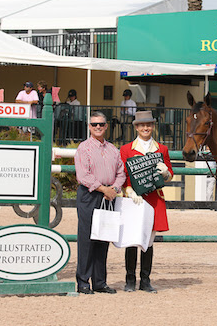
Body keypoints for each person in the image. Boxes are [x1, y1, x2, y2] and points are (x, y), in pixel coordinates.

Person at [120, 111, 174, 293]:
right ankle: (129, 279)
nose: (145, 128)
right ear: (136, 127)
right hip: (133, 198)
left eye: (148, 125)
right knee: (132, 239)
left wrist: (166, 172)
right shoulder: (126, 149)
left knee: (148, 241)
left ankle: (145, 280)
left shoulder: (162, 149)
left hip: (154, 199)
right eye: (142, 125)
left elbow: (170, 175)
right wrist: (128, 189)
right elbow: (123, 174)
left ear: (153, 126)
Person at [74, 111, 126, 295]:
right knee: (87, 238)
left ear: (106, 126)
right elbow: (83, 176)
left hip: (109, 195)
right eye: (94, 124)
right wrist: (104, 189)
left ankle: (99, 282)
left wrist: (114, 189)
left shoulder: (113, 149)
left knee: (103, 238)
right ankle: (83, 282)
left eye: (101, 124)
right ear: (89, 126)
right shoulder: (83, 148)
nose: (98, 127)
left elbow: (121, 172)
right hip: (90, 195)